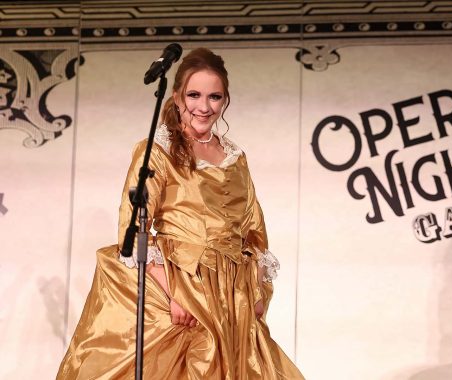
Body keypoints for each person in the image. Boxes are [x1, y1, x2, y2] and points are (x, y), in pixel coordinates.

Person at [57, 47, 304, 379]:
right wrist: (176, 296)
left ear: (225, 100)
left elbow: (252, 229)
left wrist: (256, 294)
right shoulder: (157, 152)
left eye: (215, 96)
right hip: (183, 283)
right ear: (175, 97)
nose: (204, 106)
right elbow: (132, 228)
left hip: (232, 294)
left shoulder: (235, 157)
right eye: (194, 95)